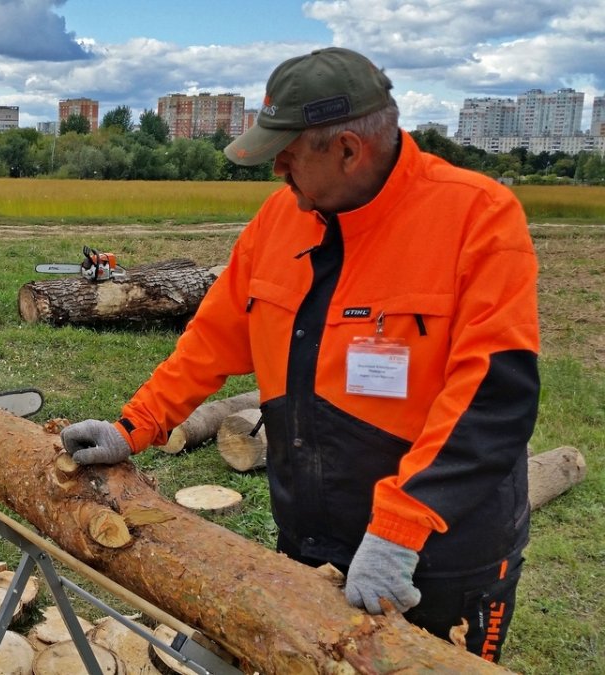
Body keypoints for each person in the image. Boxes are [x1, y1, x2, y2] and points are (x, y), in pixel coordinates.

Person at [60, 47, 538, 664]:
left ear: (347, 148)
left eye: (288, 152)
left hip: (439, 554)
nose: (276, 167)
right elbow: (212, 339)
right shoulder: (282, 219)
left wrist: (399, 531)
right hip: (313, 536)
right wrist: (135, 425)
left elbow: (491, 402)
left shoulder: (477, 218)